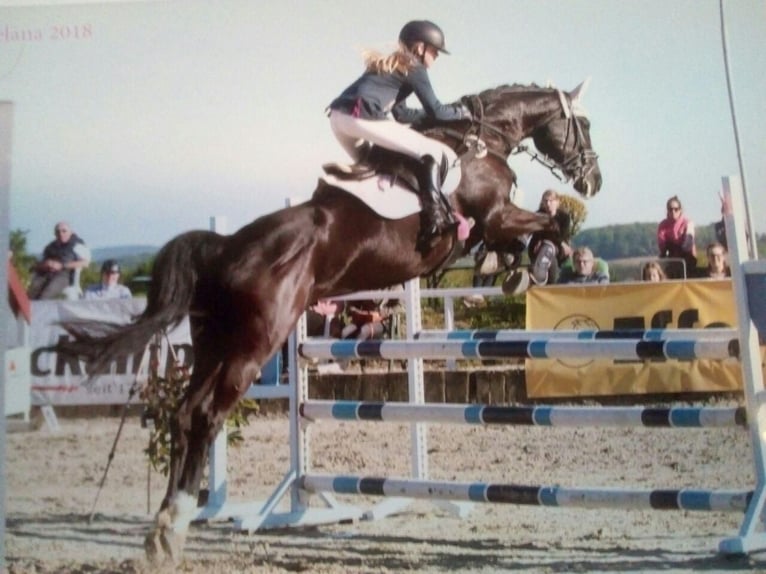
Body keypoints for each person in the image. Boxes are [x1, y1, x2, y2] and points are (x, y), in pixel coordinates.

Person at [327, 20, 472, 250]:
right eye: (434, 51)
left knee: (374, 168)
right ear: (420, 47)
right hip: (360, 116)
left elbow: (402, 114)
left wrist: (437, 114)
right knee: (431, 152)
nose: (436, 57)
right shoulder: (415, 66)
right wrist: (461, 112)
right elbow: (436, 110)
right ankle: (435, 221)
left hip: (339, 119)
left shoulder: (394, 65)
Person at [27, 221, 91, 300]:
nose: (61, 234)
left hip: (65, 275)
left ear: (70, 232)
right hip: (46, 273)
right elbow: (37, 263)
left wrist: (62, 265)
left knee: (45, 295)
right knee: (30, 294)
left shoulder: (77, 245)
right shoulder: (50, 247)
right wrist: (46, 264)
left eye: (64, 231)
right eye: (58, 232)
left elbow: (85, 263)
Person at [528, 189, 573, 285]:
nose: (548, 204)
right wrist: (558, 241)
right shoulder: (538, 215)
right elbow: (536, 234)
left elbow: (562, 235)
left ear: (557, 202)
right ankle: (539, 273)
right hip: (537, 248)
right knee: (547, 246)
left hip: (557, 249)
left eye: (551, 201)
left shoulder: (564, 217)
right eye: (545, 201)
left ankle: (540, 274)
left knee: (548, 246)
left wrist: (556, 241)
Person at [657, 195, 696, 278]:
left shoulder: (688, 223)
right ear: (667, 210)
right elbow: (663, 247)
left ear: (680, 210)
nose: (673, 211)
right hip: (671, 261)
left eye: (676, 209)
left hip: (688, 260)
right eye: (670, 209)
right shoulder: (662, 225)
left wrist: (673, 246)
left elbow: (688, 244)